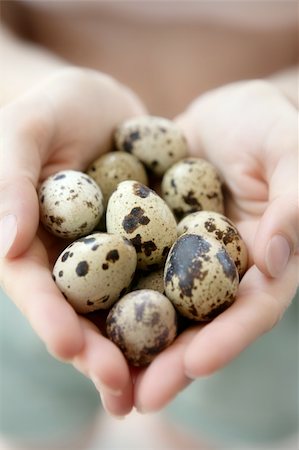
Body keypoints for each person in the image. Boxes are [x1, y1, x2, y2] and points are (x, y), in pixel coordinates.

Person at [0, 1, 298, 448]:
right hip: (39, 224)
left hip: (268, 217)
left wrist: (287, 104)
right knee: (37, 419)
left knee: (222, 419)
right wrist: (28, 92)